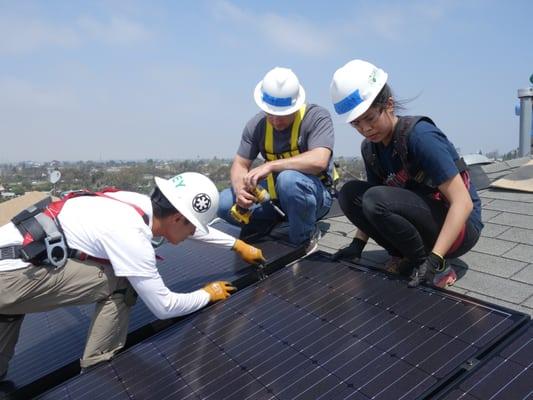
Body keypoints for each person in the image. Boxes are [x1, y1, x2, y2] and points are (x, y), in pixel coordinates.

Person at [0, 172, 265, 379]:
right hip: (10, 279)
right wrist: (207, 294)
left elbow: (186, 226)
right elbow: (165, 307)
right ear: (176, 219)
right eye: (193, 226)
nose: (192, 234)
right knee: (123, 281)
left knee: (10, 307)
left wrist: (236, 245)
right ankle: (97, 369)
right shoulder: (132, 237)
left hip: (13, 263)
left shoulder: (134, 202)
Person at [329, 59, 483, 288]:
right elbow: (369, 204)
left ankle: (433, 265)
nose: (365, 129)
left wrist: (433, 260)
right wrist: (357, 245)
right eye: (356, 124)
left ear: (389, 104)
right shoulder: (370, 149)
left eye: (370, 118)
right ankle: (408, 256)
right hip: (421, 218)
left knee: (375, 199)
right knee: (349, 194)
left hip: (459, 228)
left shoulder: (421, 137)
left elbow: (462, 203)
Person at [218, 67, 335, 250]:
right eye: (270, 114)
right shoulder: (256, 125)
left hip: (313, 197)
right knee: (224, 202)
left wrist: (272, 165)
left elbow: (319, 160)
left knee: (289, 179)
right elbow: (240, 165)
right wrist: (241, 190)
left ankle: (303, 240)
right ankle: (266, 223)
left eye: (283, 115)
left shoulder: (316, 117)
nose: (276, 121)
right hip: (274, 198)